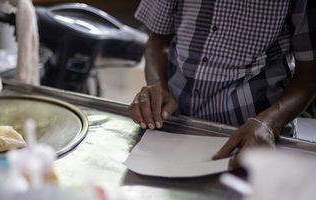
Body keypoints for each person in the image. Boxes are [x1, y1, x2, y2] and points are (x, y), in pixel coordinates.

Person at [129, 0, 316, 168]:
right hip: (175, 127)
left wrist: (269, 123)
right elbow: (158, 39)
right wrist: (157, 84)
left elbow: (309, 71)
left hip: (253, 141)